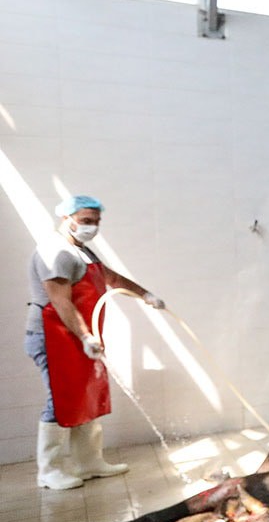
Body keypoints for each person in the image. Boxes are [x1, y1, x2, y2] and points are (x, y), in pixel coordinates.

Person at [26, 195, 165, 490]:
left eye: (96, 221)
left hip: (76, 336)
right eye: (86, 221)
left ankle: (89, 462)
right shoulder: (56, 252)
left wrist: (145, 294)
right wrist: (86, 336)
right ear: (67, 219)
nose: (92, 226)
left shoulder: (81, 250)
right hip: (52, 335)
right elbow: (60, 301)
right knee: (60, 399)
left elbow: (111, 278)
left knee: (86, 394)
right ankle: (49, 471)